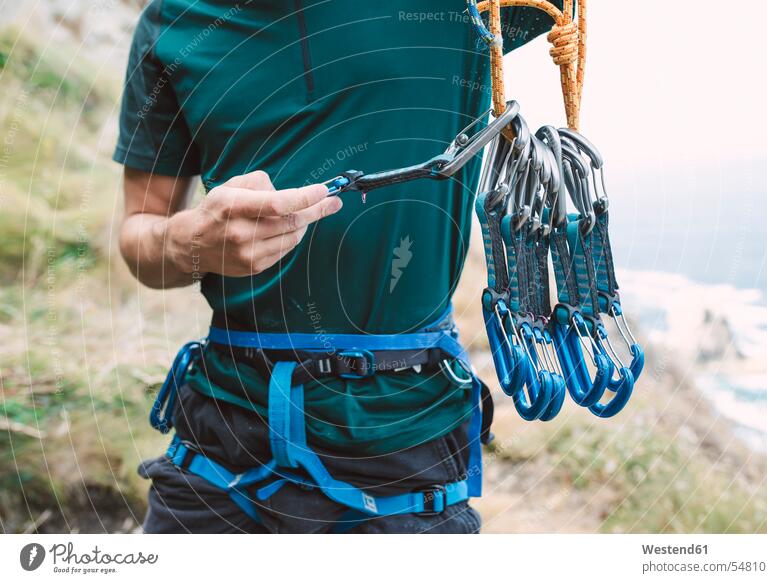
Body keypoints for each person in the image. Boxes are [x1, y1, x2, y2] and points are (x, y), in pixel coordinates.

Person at [115, 0, 557, 534]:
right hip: (217, 446)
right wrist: (192, 244)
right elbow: (140, 230)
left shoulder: (459, 9)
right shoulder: (173, 23)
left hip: (399, 451)